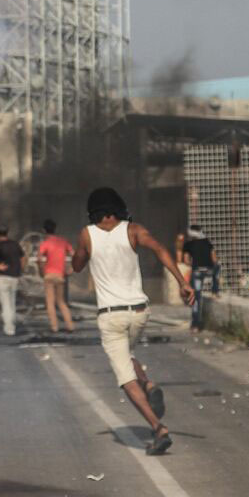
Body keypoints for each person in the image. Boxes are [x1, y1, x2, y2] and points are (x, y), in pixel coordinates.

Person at [72, 187, 194, 456]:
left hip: (111, 315)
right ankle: (148, 384)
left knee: (125, 377)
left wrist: (83, 251)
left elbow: (77, 265)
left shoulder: (86, 234)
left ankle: (158, 428)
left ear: (94, 213)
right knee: (128, 355)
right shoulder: (133, 230)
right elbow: (161, 250)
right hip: (139, 312)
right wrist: (183, 283)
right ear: (118, 209)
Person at [36, 219, 75, 334]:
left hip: (49, 275)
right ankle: (70, 325)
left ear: (44, 230)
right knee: (61, 301)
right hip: (60, 275)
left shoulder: (45, 243)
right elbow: (74, 255)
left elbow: (39, 258)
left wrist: (41, 270)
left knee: (50, 302)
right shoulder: (63, 241)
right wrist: (72, 269)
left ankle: (54, 326)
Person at [0, 225, 25, 336]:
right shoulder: (15, 244)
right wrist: (21, 270)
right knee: (12, 302)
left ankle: (9, 328)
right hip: (15, 277)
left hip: (4, 277)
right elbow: (23, 257)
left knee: (5, 303)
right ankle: (12, 325)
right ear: (7, 232)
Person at [181, 224, 218, 332]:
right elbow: (214, 259)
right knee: (218, 268)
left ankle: (195, 324)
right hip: (209, 271)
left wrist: (192, 264)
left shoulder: (189, 244)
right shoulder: (208, 243)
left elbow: (186, 260)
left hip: (197, 271)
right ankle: (215, 291)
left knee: (196, 298)